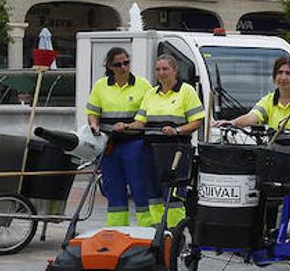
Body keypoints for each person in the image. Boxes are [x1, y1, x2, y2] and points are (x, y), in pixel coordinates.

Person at [213, 56, 290, 235]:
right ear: (274, 77)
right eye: (279, 73)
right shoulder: (269, 100)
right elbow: (253, 117)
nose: (283, 77)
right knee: (264, 194)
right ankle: (265, 233)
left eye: (287, 73)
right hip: (279, 158)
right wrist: (232, 122)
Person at [129, 54, 206, 228]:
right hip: (150, 149)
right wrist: (125, 126)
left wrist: (177, 130)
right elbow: (140, 122)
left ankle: (174, 233)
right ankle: (157, 232)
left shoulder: (186, 91)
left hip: (175, 150)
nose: (161, 73)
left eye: (165, 69)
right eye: (158, 69)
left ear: (175, 70)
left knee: (173, 194)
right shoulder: (151, 93)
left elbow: (197, 121)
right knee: (153, 193)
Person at [84, 47, 156, 226]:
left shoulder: (143, 85)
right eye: (118, 64)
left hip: (135, 144)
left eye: (126, 62)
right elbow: (93, 112)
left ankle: (147, 229)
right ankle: (117, 230)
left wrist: (129, 127)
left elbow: (149, 115)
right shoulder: (100, 86)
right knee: (113, 188)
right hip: (109, 145)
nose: (123, 67)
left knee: (140, 186)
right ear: (109, 66)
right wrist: (94, 124)